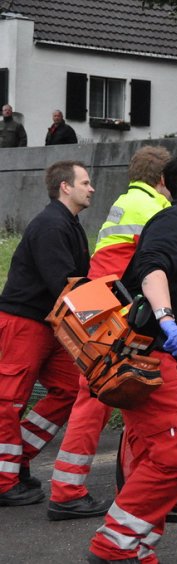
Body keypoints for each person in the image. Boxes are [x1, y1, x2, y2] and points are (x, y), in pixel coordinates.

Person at [88, 145, 177, 563]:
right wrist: (165, 319)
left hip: (167, 359)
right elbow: (152, 268)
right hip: (149, 355)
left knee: (157, 454)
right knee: (175, 456)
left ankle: (137, 548)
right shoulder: (173, 220)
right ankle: (113, 546)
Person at [47, 146, 171, 521]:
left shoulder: (126, 202)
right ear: (163, 180)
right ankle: (68, 491)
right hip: (117, 318)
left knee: (98, 399)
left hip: (97, 308)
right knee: (103, 400)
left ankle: (71, 487)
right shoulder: (156, 209)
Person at [0, 160, 93, 506]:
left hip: (49, 324)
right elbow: (65, 285)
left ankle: (16, 456)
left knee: (70, 389)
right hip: (24, 322)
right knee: (9, 402)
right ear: (65, 187)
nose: (91, 187)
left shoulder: (68, 224)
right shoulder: (52, 226)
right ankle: (4, 481)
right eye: (85, 182)